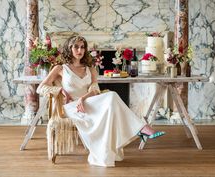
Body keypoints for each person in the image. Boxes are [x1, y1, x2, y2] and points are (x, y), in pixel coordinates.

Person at [37, 35, 165, 167]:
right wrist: (60, 90)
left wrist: (83, 98)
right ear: (69, 48)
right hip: (72, 108)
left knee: (112, 96)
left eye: (82, 47)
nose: (79, 50)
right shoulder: (60, 68)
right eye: (76, 47)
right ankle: (142, 128)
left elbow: (95, 90)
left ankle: (141, 128)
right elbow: (41, 88)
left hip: (88, 103)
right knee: (113, 96)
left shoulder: (90, 69)